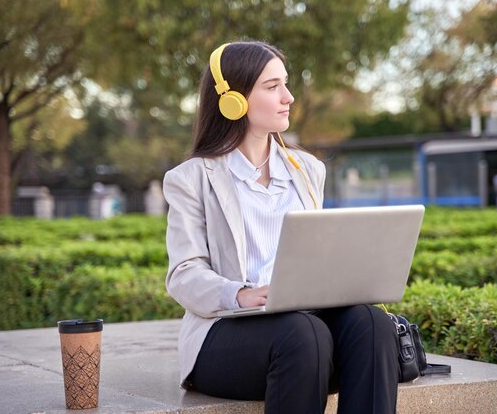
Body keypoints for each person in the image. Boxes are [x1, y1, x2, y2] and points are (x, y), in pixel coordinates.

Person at [163, 40, 399, 414]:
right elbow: (183, 274)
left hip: (307, 331)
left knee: (372, 322)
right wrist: (240, 294)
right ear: (233, 100)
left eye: (285, 84)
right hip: (228, 334)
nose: (288, 97)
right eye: (272, 87)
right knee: (302, 334)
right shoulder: (190, 179)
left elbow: (315, 254)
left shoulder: (308, 170)